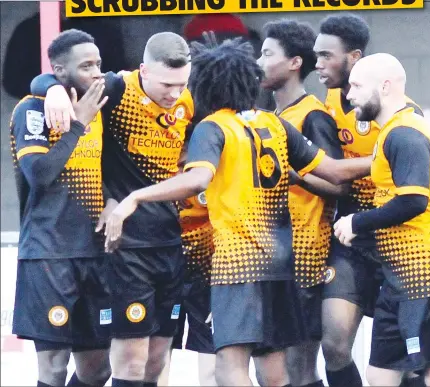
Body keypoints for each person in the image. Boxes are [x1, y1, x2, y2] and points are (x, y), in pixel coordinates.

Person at [102, 38, 373, 386]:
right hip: (282, 265)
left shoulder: (213, 127)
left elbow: (198, 180)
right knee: (275, 374)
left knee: (230, 369)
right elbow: (335, 171)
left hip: (237, 265)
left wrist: (136, 197)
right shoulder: (274, 124)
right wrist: (389, 153)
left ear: (206, 85)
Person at [30, 32, 194, 387]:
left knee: (156, 364)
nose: (175, 94)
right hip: (125, 248)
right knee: (127, 365)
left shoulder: (189, 103)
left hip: (171, 244)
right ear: (143, 72)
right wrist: (53, 89)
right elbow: (52, 78)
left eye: (182, 84)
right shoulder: (118, 90)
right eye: (167, 84)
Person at [334, 52, 430, 387]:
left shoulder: (405, 133)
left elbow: (415, 200)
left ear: (385, 87)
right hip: (401, 277)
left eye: (357, 85)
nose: (349, 95)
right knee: (381, 374)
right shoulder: (395, 130)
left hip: (429, 275)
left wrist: (356, 222)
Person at [312, 13, 424, 387]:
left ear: (354, 57)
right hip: (350, 238)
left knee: (406, 360)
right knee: (334, 344)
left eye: (327, 56)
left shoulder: (401, 112)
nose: (319, 65)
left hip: (397, 237)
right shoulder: (327, 102)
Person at [10, 29, 112, 387]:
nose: (97, 72)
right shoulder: (32, 109)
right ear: (60, 70)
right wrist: (76, 125)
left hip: (96, 255)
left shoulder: (101, 107)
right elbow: (39, 174)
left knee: (97, 370)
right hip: (48, 255)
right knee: (53, 369)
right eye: (87, 66)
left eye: (99, 63)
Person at [256, 19, 347, 387]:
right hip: (276, 255)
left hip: (307, 254)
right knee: (281, 365)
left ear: (295, 62)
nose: (259, 62)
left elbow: (340, 185)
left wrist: (293, 175)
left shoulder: (312, 116)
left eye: (266, 54)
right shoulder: (272, 116)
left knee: (301, 366)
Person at [159, 146, 217, 387]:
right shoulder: (156, 170)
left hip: (208, 274)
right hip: (163, 271)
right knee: (155, 363)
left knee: (212, 372)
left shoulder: (213, 171)